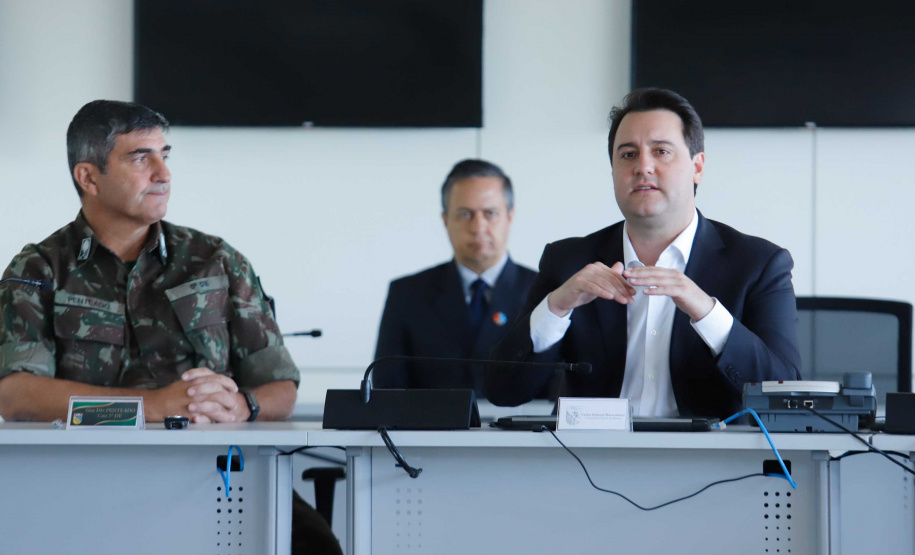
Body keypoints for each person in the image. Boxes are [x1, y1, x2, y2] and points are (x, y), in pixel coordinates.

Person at [486, 88, 801, 419]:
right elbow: (503, 391)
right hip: (588, 460)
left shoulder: (758, 264)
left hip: (712, 461)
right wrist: (557, 308)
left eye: (661, 151)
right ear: (613, 172)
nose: (643, 167)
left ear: (698, 167)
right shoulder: (567, 262)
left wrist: (705, 311)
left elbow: (785, 394)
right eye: (627, 155)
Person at [0, 100, 299, 423]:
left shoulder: (216, 260)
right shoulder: (39, 268)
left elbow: (280, 385)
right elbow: (16, 396)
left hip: (207, 467)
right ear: (88, 178)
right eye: (141, 158)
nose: (164, 174)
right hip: (84, 467)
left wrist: (242, 406)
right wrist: (152, 406)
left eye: (165, 156)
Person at [374, 159, 541, 398]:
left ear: (510, 217)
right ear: (445, 220)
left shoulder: (545, 291)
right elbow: (386, 390)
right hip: (428, 434)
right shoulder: (407, 293)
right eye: (465, 214)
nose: (478, 226)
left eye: (490, 213)